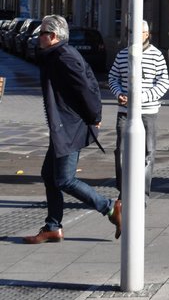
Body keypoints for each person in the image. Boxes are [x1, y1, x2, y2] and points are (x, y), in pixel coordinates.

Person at [23, 15, 122, 244]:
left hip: (70, 127)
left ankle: (110, 208)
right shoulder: (54, 55)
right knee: (50, 175)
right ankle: (53, 227)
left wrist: (94, 117)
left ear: (54, 36)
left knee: (65, 179)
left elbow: (87, 88)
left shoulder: (64, 57)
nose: (39, 38)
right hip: (63, 127)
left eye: (42, 33)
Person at [108, 19, 169, 201]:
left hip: (148, 111)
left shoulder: (157, 55)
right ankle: (123, 191)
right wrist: (119, 94)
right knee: (121, 151)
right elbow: (113, 77)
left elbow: (164, 82)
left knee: (148, 151)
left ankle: (142, 194)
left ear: (147, 35)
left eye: (139, 33)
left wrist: (140, 97)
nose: (135, 36)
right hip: (124, 110)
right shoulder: (122, 55)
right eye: (132, 32)